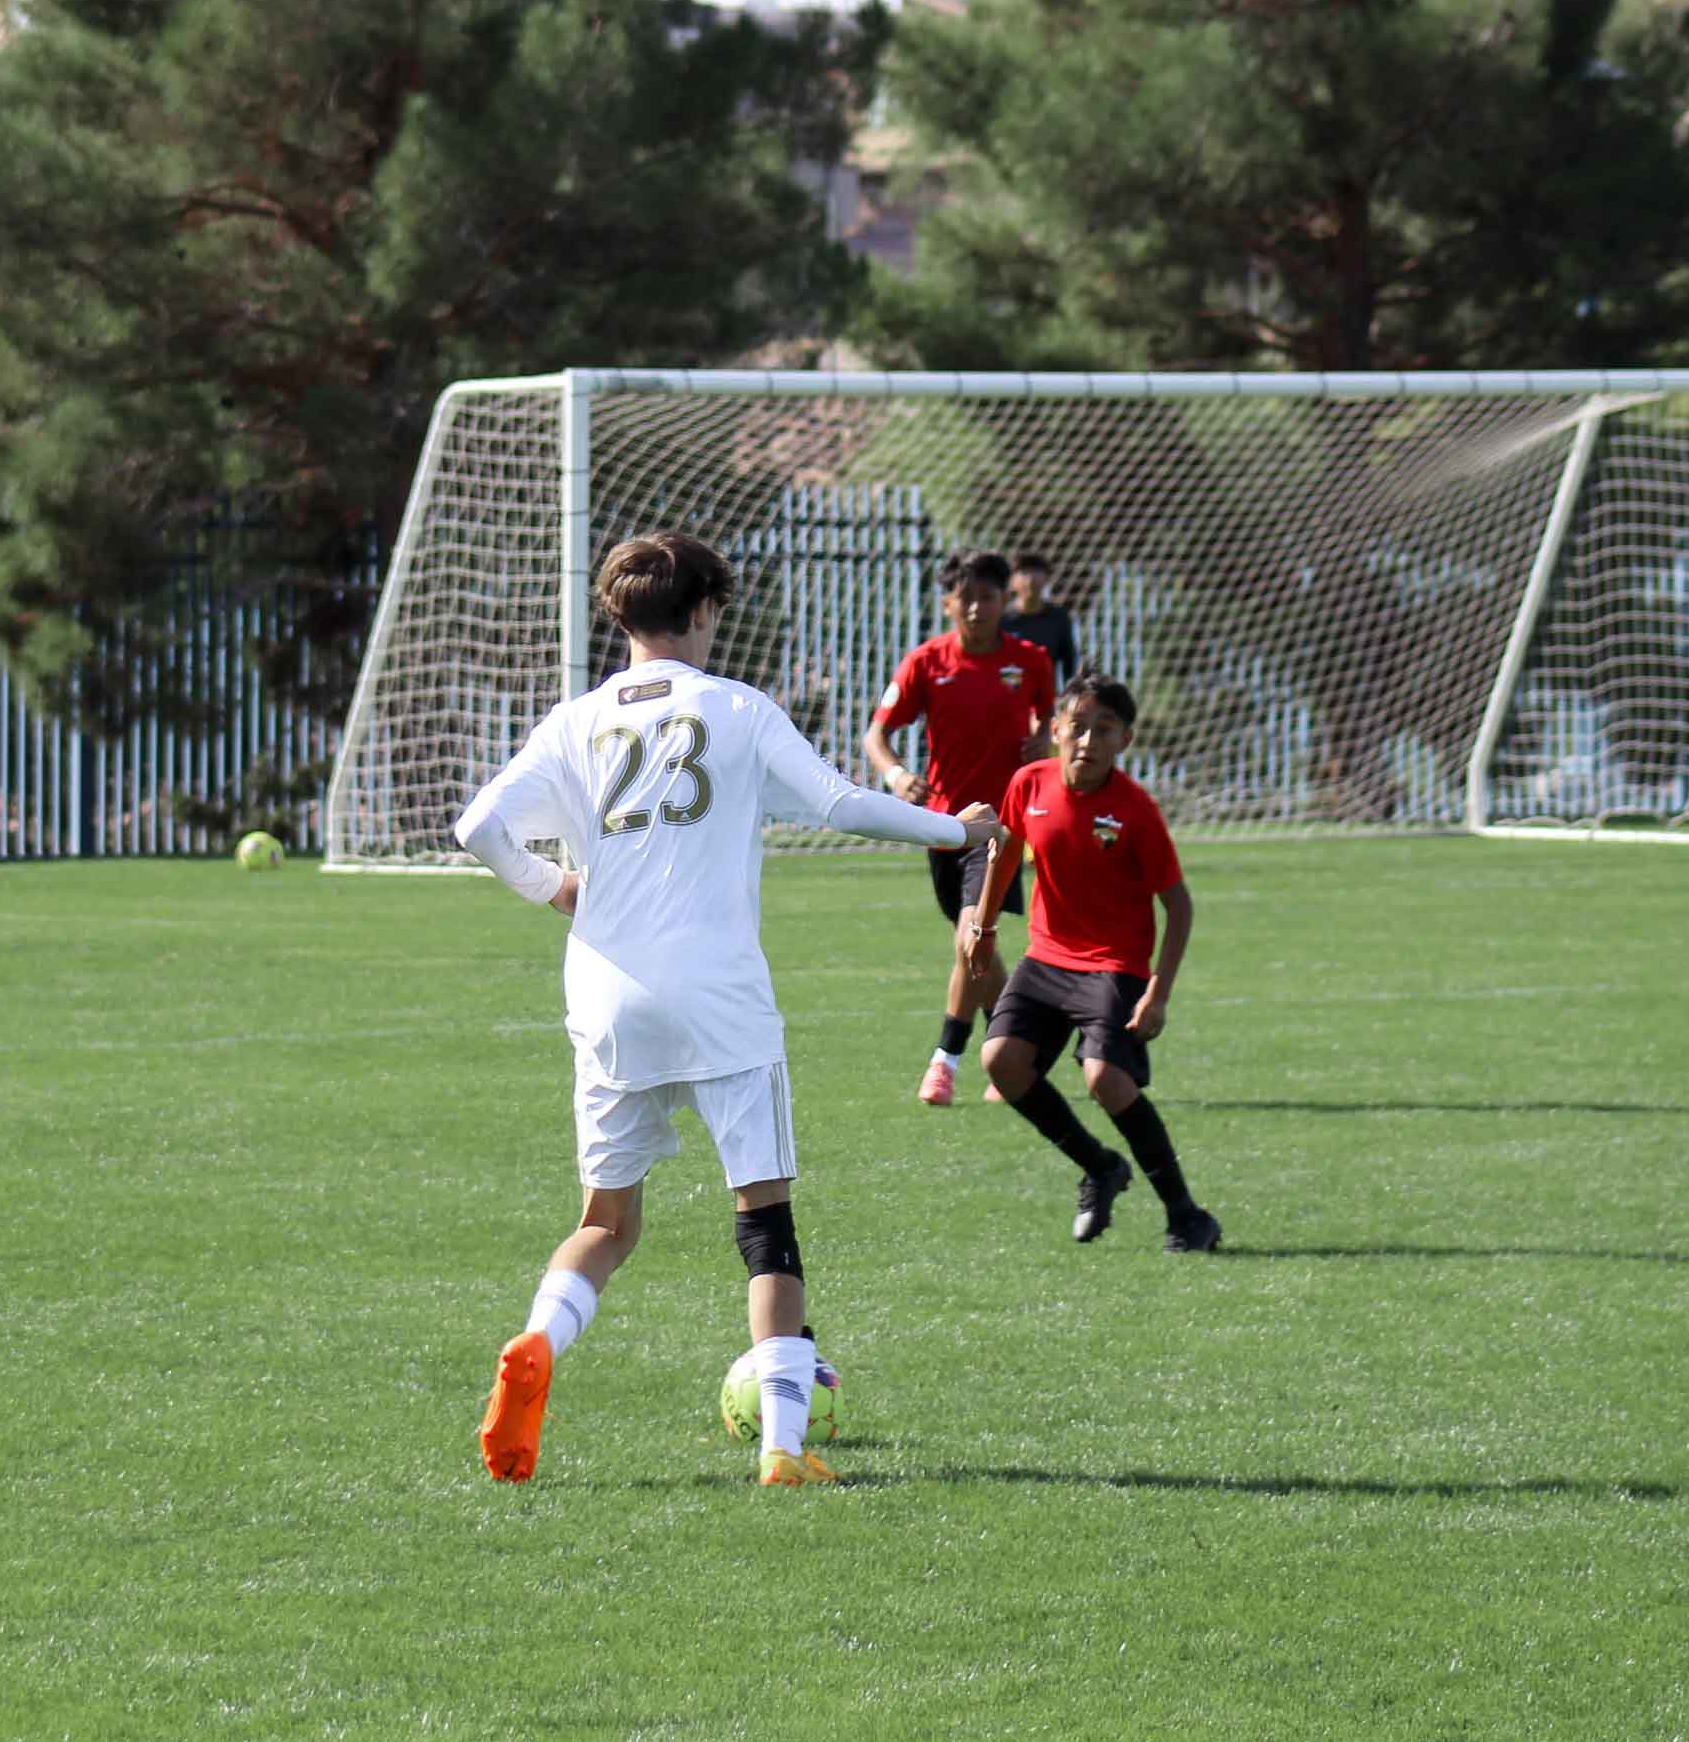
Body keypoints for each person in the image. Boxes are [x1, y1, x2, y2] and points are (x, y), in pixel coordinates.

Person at [455, 531, 1002, 1488]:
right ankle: (784, 1450)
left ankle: (540, 1339)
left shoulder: (572, 723)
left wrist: (554, 887)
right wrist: (957, 828)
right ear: (705, 612)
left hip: (607, 993)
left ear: (618, 617)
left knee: (610, 1224)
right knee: (764, 1221)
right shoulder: (738, 709)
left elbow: (476, 828)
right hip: (719, 995)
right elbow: (839, 804)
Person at [962, 677, 1221, 1254]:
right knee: (1000, 1061)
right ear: (1055, 731)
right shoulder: (1028, 783)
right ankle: (1100, 1166)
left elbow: (1178, 905)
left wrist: (1158, 991)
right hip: (1047, 957)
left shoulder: (1135, 810)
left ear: (1125, 739)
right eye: (1076, 727)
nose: (1087, 741)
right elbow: (1003, 849)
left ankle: (1187, 1215)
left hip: (1115, 965)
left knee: (1106, 1079)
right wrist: (983, 926)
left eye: (1103, 730)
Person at [864, 550, 1059, 1107]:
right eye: (965, 598)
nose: (976, 608)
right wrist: (898, 775)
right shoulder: (926, 662)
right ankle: (1016, 1055)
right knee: (976, 947)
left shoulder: (1033, 661)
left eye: (988, 597)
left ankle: (944, 1061)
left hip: (1001, 826)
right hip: (943, 827)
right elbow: (877, 736)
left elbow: (1052, 722)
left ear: (1006, 601)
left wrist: (1044, 737)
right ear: (948, 603)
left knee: (972, 935)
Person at [1003, 552, 1079, 686]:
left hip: (1046, 696)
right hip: (1009, 694)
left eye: (1037, 571)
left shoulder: (1058, 617)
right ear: (1012, 581)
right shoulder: (1002, 619)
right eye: (1024, 572)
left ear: (1047, 578)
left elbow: (1069, 662)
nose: (1031, 578)